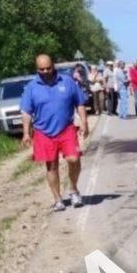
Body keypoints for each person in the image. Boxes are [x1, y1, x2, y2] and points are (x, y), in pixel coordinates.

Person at [19, 54, 89, 211]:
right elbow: (26, 112)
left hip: (66, 129)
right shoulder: (32, 87)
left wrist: (84, 122)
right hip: (43, 132)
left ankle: (73, 190)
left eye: (48, 68)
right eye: (41, 69)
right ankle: (58, 199)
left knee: (73, 159)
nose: (45, 71)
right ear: (37, 69)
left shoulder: (67, 81)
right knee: (51, 166)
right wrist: (26, 133)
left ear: (54, 66)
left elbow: (80, 102)